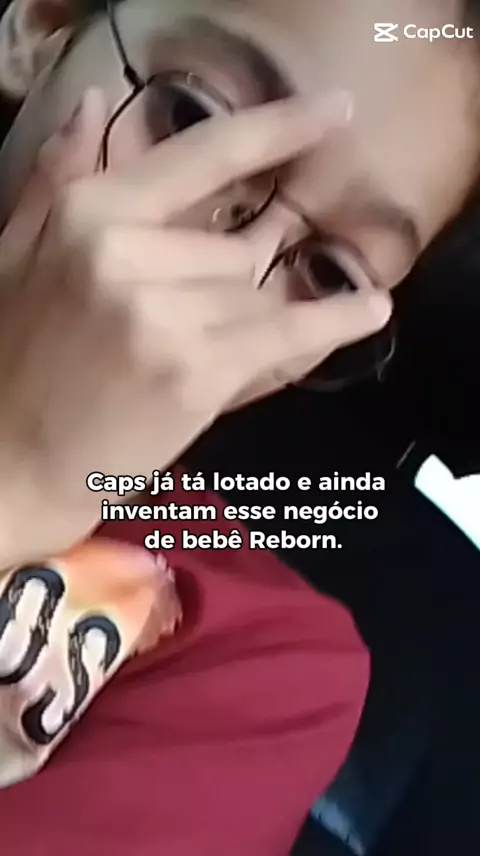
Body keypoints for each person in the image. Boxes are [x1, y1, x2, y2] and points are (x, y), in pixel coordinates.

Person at [0, 0, 480, 853]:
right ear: (43, 24)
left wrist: (30, 475)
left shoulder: (264, 667)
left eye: (327, 272)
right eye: (191, 117)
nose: (221, 278)